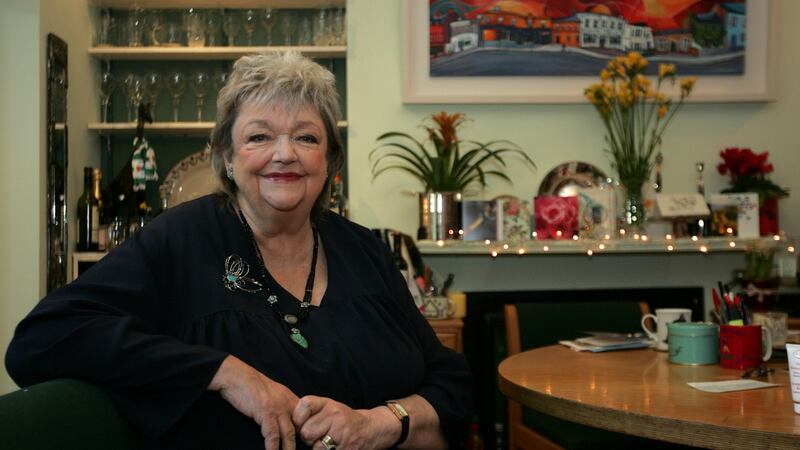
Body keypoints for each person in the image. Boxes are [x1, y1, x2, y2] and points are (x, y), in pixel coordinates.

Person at [5, 51, 473, 450]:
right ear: (227, 157)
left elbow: (451, 382)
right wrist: (226, 373)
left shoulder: (364, 248)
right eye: (259, 136)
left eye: (306, 137)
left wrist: (380, 424)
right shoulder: (180, 240)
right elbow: (41, 339)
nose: (284, 153)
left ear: (330, 160)